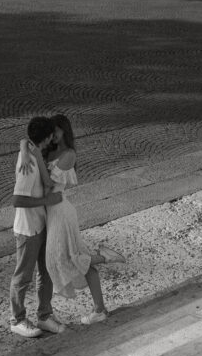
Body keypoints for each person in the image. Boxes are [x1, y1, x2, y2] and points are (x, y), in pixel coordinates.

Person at [20, 114, 124, 325]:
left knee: (61, 258)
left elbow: (49, 184)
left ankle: (104, 258)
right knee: (76, 258)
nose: (53, 136)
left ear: (64, 131)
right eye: (51, 133)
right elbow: (25, 140)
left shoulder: (69, 154)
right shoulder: (50, 149)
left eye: (57, 132)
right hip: (50, 213)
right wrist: (24, 152)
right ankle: (100, 309)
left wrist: (38, 157)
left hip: (61, 212)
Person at [10, 115, 66, 338]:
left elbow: (24, 141)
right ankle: (17, 320)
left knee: (46, 271)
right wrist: (46, 201)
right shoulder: (28, 165)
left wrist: (25, 147)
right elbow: (17, 200)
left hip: (41, 223)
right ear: (47, 138)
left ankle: (44, 316)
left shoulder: (33, 152)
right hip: (28, 229)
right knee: (23, 276)